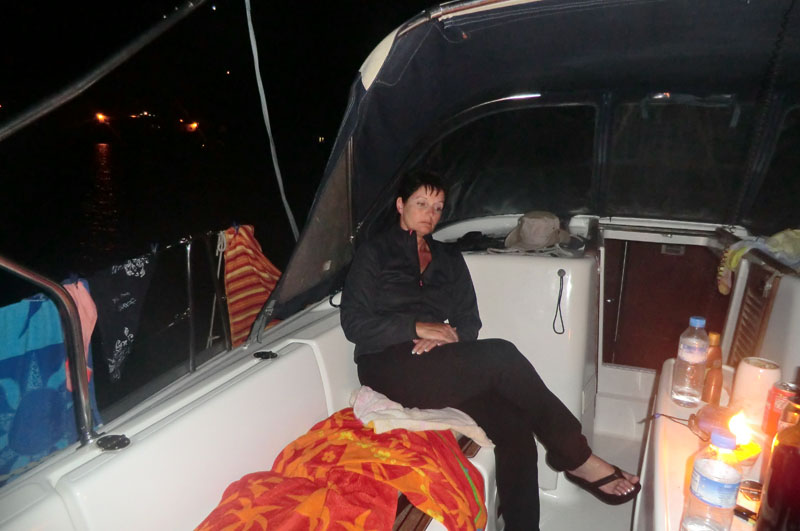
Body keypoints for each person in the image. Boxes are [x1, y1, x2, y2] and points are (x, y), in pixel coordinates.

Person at [340, 170, 640, 529]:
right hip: (387, 364)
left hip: (437, 363)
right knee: (502, 354)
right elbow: (355, 324)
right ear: (401, 205)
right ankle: (576, 457)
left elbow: (469, 320)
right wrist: (416, 327)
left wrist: (450, 337)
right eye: (421, 204)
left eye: (438, 207)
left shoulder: (448, 257)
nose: (430, 214)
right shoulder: (374, 253)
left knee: (514, 427)